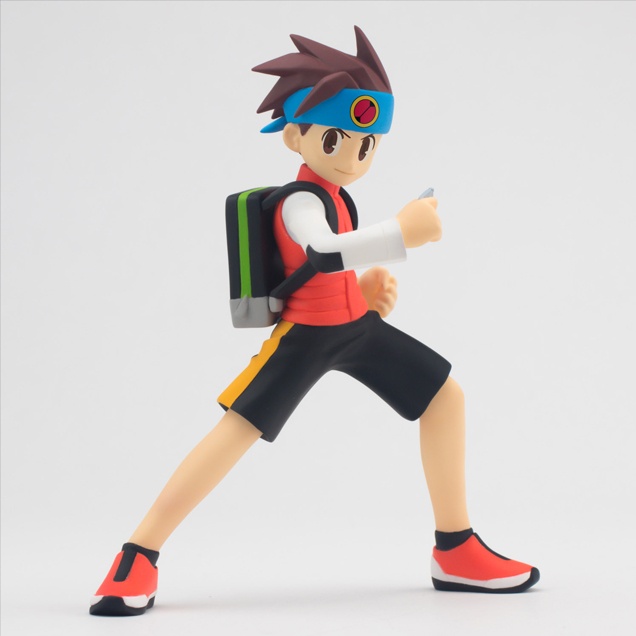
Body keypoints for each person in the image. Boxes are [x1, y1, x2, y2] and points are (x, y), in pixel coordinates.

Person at [90, 26, 539, 617]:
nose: (354, 155)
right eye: (335, 138)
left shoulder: (339, 196)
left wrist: (362, 292)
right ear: (295, 137)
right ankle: (138, 554)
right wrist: (402, 234)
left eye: (368, 143)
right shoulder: (299, 200)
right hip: (304, 338)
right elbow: (323, 251)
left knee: (444, 396)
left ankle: (455, 548)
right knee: (237, 429)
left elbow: (331, 266)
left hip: (354, 329)